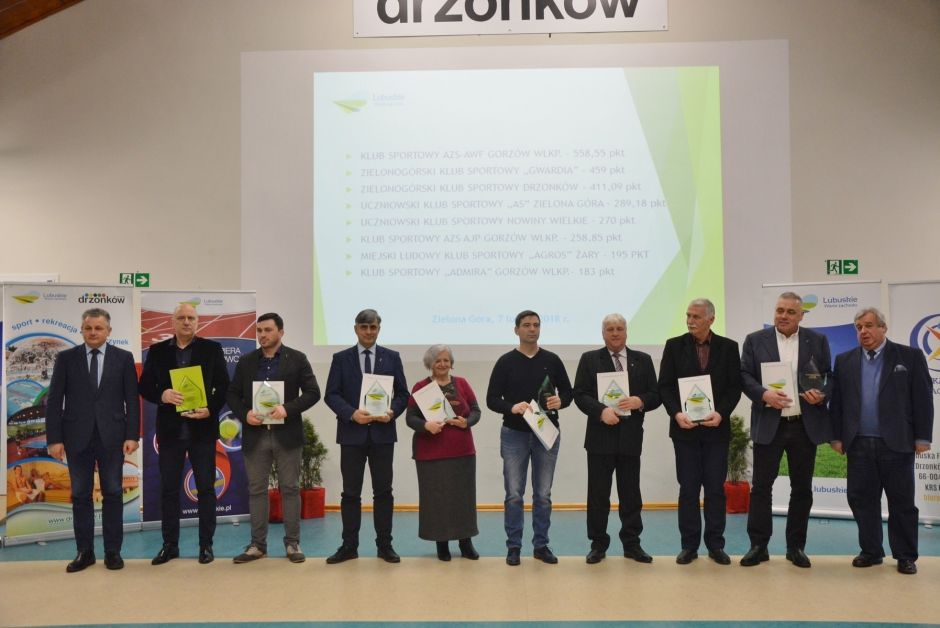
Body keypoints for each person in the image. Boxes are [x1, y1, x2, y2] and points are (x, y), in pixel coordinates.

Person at [830, 307, 933, 575]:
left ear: (883, 328)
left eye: (869, 326)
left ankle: (905, 555)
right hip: (858, 444)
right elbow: (837, 403)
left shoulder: (909, 357)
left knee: (902, 503)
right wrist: (836, 436)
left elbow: (923, 399)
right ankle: (871, 551)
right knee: (862, 500)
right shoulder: (844, 360)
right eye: (859, 327)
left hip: (897, 443)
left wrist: (923, 437)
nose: (863, 331)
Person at [739, 291, 831, 568]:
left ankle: (795, 547)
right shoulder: (755, 340)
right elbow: (744, 375)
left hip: (804, 425)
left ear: (801, 315)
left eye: (791, 312)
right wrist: (763, 394)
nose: (784, 316)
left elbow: (828, 377)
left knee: (802, 488)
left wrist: (821, 394)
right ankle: (758, 546)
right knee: (761, 488)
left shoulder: (817, 340)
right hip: (770, 424)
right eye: (780, 310)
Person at [45, 307, 140, 572]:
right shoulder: (66, 358)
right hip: (76, 437)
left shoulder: (123, 358)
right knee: (80, 495)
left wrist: (132, 435)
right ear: (82, 330)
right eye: (88, 328)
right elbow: (54, 400)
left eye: (99, 328)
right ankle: (84, 552)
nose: (93, 332)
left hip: (113, 437)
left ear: (109, 331)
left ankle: (113, 552)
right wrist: (54, 439)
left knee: (113, 493)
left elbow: (132, 400)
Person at [139, 302, 229, 565]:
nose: (187, 322)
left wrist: (209, 409)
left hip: (202, 431)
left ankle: (206, 545)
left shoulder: (212, 349)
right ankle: (170, 545)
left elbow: (224, 386)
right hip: (170, 433)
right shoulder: (157, 351)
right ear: (173, 322)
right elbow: (144, 386)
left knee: (206, 489)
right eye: (181, 318)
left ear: (197, 321)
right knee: (169, 490)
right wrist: (162, 395)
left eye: (191, 317)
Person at [226, 313, 321, 564]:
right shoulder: (246, 361)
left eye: (268, 330)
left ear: (281, 332)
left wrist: (287, 408)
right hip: (256, 435)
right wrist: (245, 414)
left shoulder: (297, 359)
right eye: (259, 330)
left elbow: (313, 392)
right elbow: (232, 394)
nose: (262, 335)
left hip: (287, 435)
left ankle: (292, 543)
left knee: (290, 489)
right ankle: (258, 545)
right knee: (257, 490)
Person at [658, 299, 742, 565]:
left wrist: (722, 413)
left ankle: (716, 545)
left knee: (715, 490)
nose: (690, 321)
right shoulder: (674, 346)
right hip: (685, 431)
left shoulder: (729, 347)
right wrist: (676, 413)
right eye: (688, 316)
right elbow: (665, 387)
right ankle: (689, 546)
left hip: (716, 430)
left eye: (696, 316)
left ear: (711, 319)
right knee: (688, 489)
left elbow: (734, 387)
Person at [573, 313, 661, 565]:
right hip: (600, 439)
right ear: (603, 334)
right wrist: (601, 411)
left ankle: (632, 545)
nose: (615, 333)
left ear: (626, 332)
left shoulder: (642, 360)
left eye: (619, 328)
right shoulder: (589, 359)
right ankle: (598, 545)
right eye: (610, 329)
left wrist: (640, 401)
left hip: (630, 439)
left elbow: (656, 394)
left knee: (631, 495)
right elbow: (580, 394)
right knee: (598, 496)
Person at [487, 310, 573, 566]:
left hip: (547, 434)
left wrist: (561, 401)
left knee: (543, 494)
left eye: (536, 325)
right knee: (514, 494)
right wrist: (511, 407)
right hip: (514, 434)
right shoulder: (505, 362)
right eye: (526, 325)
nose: (532, 329)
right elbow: (492, 399)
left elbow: (569, 393)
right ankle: (514, 547)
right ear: (516, 330)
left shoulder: (552, 360)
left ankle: (541, 546)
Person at [323, 308, 409, 564]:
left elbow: (403, 394)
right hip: (351, 435)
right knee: (350, 493)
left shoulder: (392, 357)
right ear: (356, 329)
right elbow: (331, 394)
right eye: (364, 327)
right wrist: (351, 414)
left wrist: (392, 412)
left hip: (383, 434)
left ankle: (385, 546)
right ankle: (349, 546)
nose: (369, 332)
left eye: (373, 327)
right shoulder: (341, 358)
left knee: (383, 492)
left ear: (379, 329)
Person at [405, 345, 481, 561]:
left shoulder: (462, 384)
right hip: (431, 453)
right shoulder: (421, 387)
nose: (442, 364)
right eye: (437, 360)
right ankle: (442, 543)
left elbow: (476, 411)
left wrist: (467, 422)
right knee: (436, 500)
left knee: (463, 498)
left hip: (462, 451)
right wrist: (425, 425)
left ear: (451, 363)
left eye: (446, 360)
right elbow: (410, 418)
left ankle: (465, 542)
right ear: (430, 364)